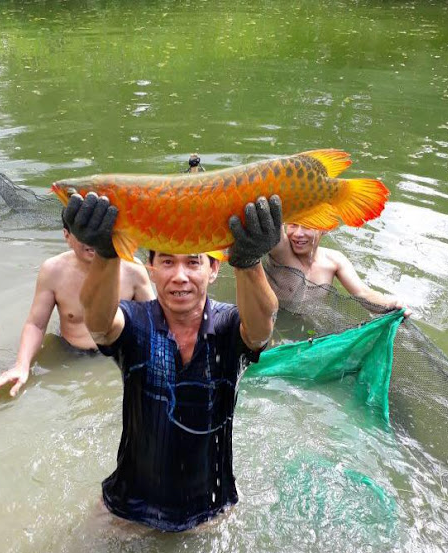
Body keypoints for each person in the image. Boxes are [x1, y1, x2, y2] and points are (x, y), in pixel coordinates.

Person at [63, 190, 281, 532]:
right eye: (167, 261)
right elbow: (100, 324)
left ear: (213, 269)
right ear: (151, 269)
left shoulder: (228, 326)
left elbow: (260, 329)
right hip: (128, 507)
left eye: (193, 261)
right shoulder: (135, 322)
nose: (180, 275)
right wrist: (107, 254)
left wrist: (250, 261)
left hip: (212, 509)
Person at [0, 210, 155, 398]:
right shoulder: (53, 270)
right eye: (84, 233)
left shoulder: (133, 269)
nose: (93, 240)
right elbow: (36, 325)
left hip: (118, 355)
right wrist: (21, 366)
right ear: (67, 236)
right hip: (70, 354)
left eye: (100, 231)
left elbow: (155, 322)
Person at [267, 223, 411, 317]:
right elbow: (270, 223)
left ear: (324, 228)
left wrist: (390, 305)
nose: (298, 233)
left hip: (309, 322)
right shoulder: (281, 250)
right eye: (293, 225)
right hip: (273, 318)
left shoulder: (334, 261)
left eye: (307, 226)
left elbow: (363, 293)